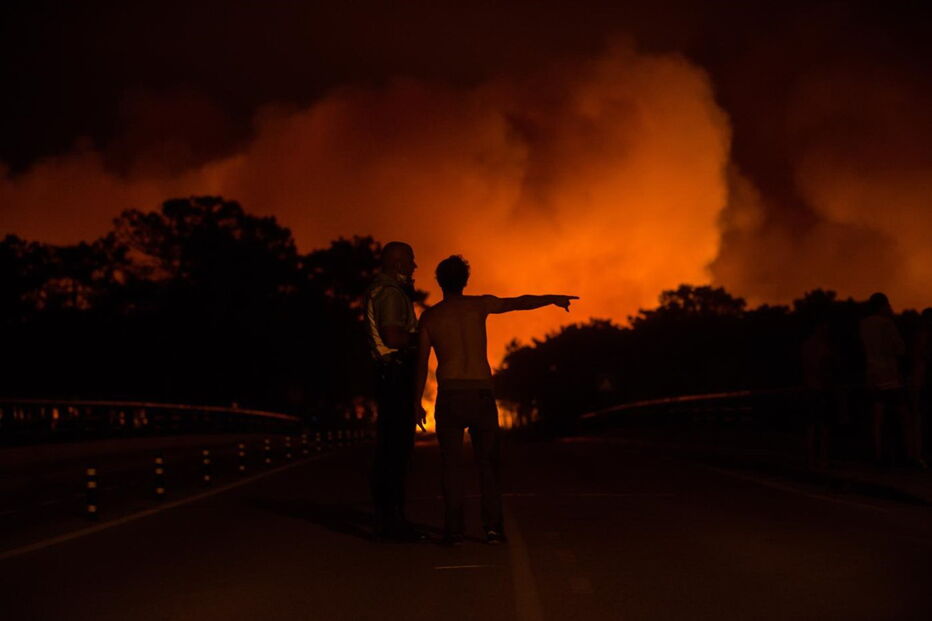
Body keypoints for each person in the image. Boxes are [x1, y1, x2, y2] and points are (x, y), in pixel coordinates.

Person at [414, 255, 577, 545]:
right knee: (488, 464)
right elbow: (518, 302)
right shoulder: (479, 305)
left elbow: (421, 362)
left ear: (439, 281)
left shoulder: (430, 317)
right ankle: (492, 529)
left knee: (451, 465)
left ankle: (454, 530)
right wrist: (552, 298)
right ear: (465, 280)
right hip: (480, 393)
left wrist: (416, 403)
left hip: (451, 394)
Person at [365, 241, 426, 541]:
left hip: (387, 376)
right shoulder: (390, 294)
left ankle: (386, 518)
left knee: (389, 450)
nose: (415, 267)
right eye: (411, 261)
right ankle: (393, 521)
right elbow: (391, 335)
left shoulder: (381, 290)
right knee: (397, 451)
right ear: (398, 263)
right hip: (394, 375)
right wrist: (420, 341)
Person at [858, 292, 916, 465]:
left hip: (872, 373)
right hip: (889, 375)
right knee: (903, 414)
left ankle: (877, 454)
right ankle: (909, 454)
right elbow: (900, 348)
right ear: (883, 305)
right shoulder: (887, 323)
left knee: (878, 417)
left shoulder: (863, 324)